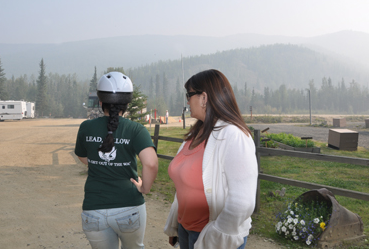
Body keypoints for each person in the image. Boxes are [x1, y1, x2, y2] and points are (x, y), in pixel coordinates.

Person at [164, 69, 258, 249]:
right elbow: (184, 184)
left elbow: (242, 202)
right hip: (187, 229)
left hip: (212, 237)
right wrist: (177, 225)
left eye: (189, 95)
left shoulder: (233, 136)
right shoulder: (197, 132)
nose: (187, 100)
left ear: (204, 98)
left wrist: (213, 238)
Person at [75, 72, 158, 249]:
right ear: (127, 104)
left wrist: (99, 162)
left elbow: (83, 157)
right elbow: (150, 163)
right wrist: (145, 188)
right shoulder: (136, 129)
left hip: (93, 209)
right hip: (129, 207)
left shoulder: (86, 127)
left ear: (100, 101)